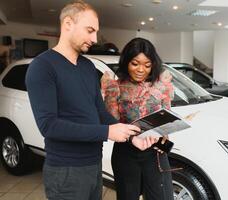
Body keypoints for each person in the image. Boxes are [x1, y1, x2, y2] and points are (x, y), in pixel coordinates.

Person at [25, 1, 155, 200]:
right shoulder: (42, 67)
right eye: (89, 30)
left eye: (96, 32)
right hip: (66, 170)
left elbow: (99, 113)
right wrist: (107, 132)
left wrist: (131, 136)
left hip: (94, 165)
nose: (94, 38)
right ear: (68, 24)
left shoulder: (87, 66)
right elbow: (49, 126)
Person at [101, 37, 175, 200]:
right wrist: (132, 137)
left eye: (147, 65)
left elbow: (167, 117)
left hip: (156, 154)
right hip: (127, 154)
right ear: (126, 62)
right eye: (135, 63)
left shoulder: (162, 85)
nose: (141, 69)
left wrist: (164, 134)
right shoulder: (115, 87)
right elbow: (112, 124)